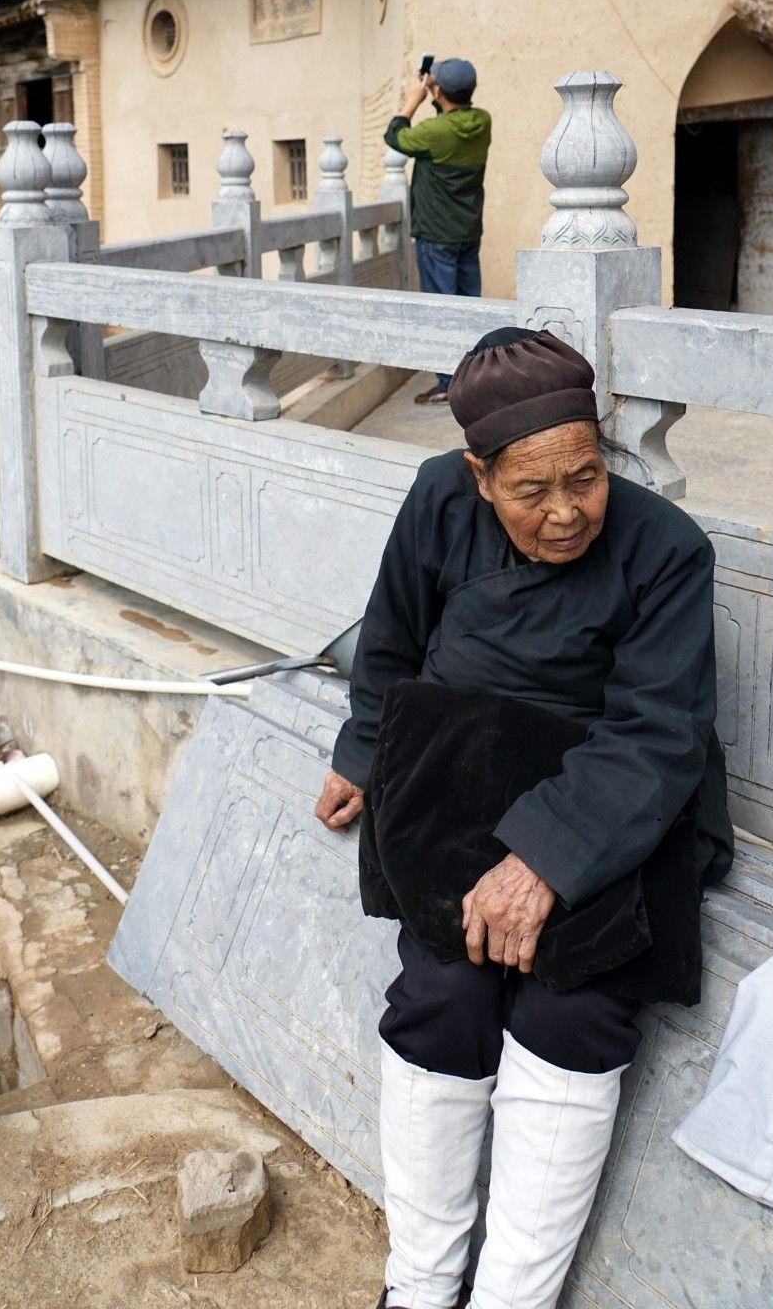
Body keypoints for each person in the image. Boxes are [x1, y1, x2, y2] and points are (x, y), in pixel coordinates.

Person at [314, 327, 732, 1309]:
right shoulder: (433, 501)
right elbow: (389, 643)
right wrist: (360, 756)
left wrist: (544, 860)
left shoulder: (665, 550)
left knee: (571, 1007)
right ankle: (416, 1289)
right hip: (457, 785)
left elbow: (658, 733)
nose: (563, 514)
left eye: (583, 480)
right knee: (442, 997)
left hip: (612, 801)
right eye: (529, 492)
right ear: (476, 475)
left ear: (602, 450)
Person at [385, 58, 492, 403]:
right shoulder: (482, 122)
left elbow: (395, 136)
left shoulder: (434, 133)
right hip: (467, 232)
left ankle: (449, 385)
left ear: (439, 90)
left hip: (436, 236)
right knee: (468, 306)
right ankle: (475, 378)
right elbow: (447, 127)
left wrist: (415, 98)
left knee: (441, 311)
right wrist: (437, 94)